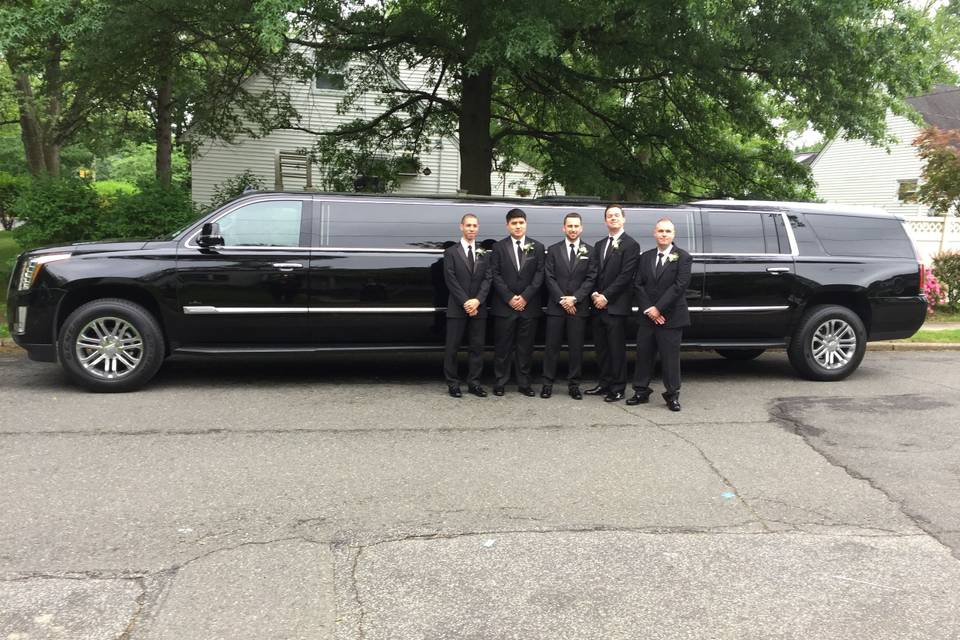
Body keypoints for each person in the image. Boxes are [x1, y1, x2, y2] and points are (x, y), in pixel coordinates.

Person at [628, 217, 693, 411]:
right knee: (643, 355)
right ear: (654, 233)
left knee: (670, 359)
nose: (663, 234)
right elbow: (638, 284)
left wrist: (659, 309)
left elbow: (679, 286)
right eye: (660, 231)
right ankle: (640, 391)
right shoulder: (645, 257)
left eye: (667, 231)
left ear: (673, 235)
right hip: (647, 317)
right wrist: (650, 310)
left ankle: (672, 395)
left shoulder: (683, 257)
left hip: (671, 318)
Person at [584, 204, 640, 402]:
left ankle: (618, 388)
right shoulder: (599, 245)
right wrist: (594, 294)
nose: (613, 218)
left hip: (616, 306)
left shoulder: (631, 245)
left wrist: (605, 297)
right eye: (609, 216)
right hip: (597, 306)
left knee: (616, 349)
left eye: (617, 215)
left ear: (623, 219)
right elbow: (593, 273)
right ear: (605, 220)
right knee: (601, 349)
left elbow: (626, 276)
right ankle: (604, 383)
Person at [541, 212, 598, 400]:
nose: (573, 229)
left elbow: (591, 278)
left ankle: (574, 385)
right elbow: (548, 277)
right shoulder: (553, 250)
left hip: (578, 307)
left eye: (576, 226)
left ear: (581, 228)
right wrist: (562, 299)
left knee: (576, 348)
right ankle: (547, 383)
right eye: (569, 226)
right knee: (552, 347)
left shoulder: (590, 251)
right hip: (556, 308)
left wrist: (574, 299)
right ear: (563, 228)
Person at [490, 208, 545, 396]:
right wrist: (510, 297)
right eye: (514, 223)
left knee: (525, 348)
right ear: (508, 225)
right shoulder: (498, 248)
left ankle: (524, 383)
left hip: (529, 306)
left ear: (526, 224)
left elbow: (539, 275)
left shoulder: (537, 247)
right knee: (502, 347)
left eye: (521, 222)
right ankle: (500, 381)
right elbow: (495, 274)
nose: (518, 226)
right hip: (504, 306)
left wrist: (525, 297)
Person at [443, 213, 493, 398]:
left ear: (478, 228)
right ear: (461, 227)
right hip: (457, 307)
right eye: (468, 225)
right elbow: (450, 279)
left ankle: (474, 382)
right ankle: (453, 383)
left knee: (477, 347)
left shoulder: (484, 253)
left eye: (475, 226)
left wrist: (477, 300)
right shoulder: (451, 252)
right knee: (452, 348)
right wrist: (465, 301)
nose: (472, 229)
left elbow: (488, 279)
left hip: (478, 308)